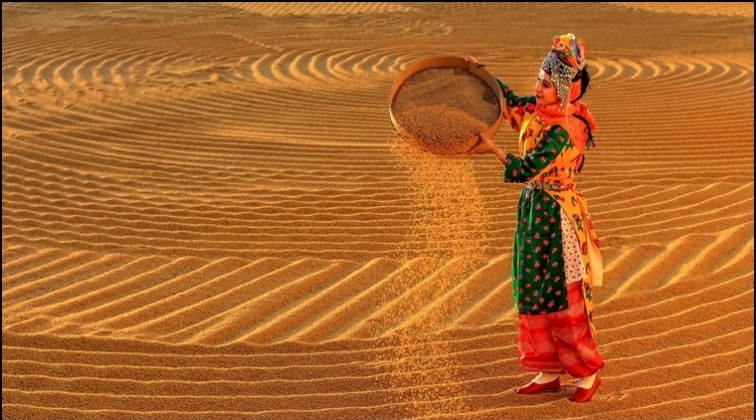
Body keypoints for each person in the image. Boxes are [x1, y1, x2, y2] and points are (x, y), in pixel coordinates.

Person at [465, 33, 604, 403]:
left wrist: (493, 149)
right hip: (533, 213)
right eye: (538, 79)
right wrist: (484, 76)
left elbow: (529, 167)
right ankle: (548, 369)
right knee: (532, 289)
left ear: (562, 90)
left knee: (564, 295)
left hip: (557, 217)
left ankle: (586, 373)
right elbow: (510, 104)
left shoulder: (565, 129)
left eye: (544, 83)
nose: (536, 88)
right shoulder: (540, 112)